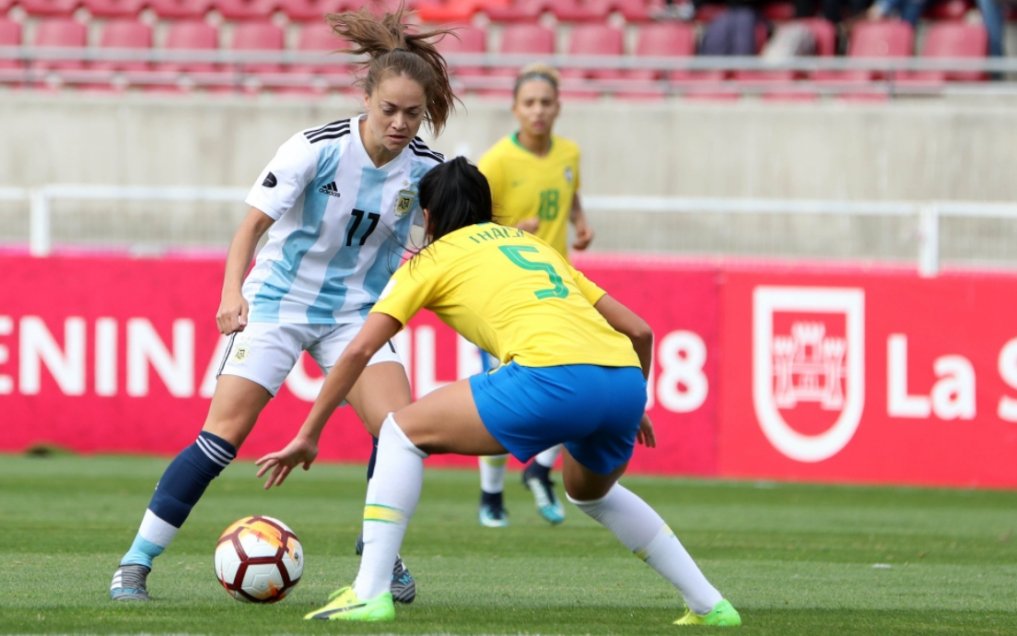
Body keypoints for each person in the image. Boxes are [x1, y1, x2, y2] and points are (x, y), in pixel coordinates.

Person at [254, 157, 742, 627]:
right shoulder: (533, 245)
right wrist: (634, 399)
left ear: (428, 216)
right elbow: (640, 331)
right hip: (621, 381)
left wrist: (309, 432)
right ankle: (710, 604)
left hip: (550, 376)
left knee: (401, 432)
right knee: (592, 494)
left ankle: (369, 593)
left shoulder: (433, 258)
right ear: (488, 208)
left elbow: (358, 352)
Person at [107, 4, 458, 604]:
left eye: (413, 114)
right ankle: (135, 562)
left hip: (356, 314)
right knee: (221, 438)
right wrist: (230, 293)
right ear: (366, 98)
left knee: (401, 433)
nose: (401, 124)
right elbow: (250, 228)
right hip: (278, 301)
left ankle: (380, 557)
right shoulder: (314, 148)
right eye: (390, 110)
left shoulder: (427, 170)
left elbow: (444, 252)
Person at [473, 63, 595, 528]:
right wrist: (508, 229)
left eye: (546, 103)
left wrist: (580, 222)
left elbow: (570, 193)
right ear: (515, 109)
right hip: (505, 294)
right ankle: (491, 494)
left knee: (578, 384)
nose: (538, 111)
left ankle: (540, 470)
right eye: (530, 103)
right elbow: (469, 223)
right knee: (503, 398)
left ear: (558, 107)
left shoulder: (569, 153)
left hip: (559, 290)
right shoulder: (497, 161)